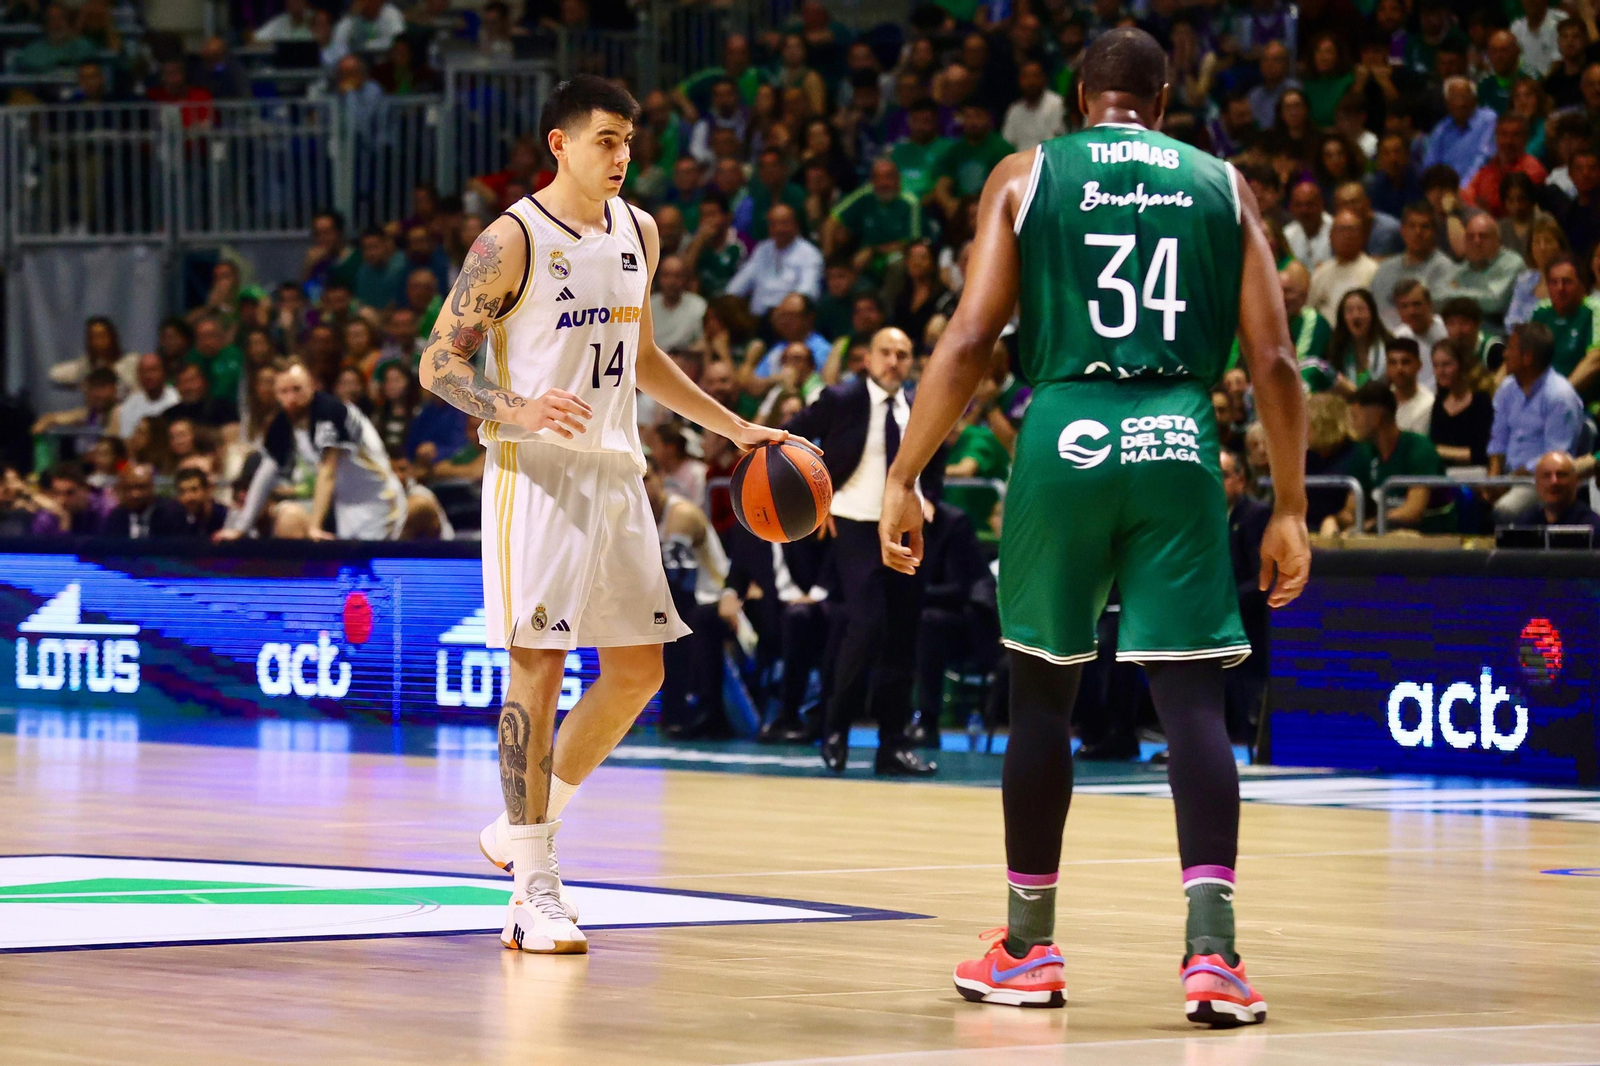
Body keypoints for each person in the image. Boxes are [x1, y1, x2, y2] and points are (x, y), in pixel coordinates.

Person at [878, 29, 1308, 1023]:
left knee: (1043, 695)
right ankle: (1213, 956)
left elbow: (975, 337)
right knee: (1193, 700)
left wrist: (907, 472)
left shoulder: (1026, 175)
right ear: (1161, 101)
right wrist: (1287, 504)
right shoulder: (1221, 184)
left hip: (1065, 430)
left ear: (1080, 99)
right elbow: (1276, 362)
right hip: (1177, 438)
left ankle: (1028, 946)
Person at [412, 76, 799, 956]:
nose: (621, 156)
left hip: (619, 472)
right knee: (538, 669)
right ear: (560, 144)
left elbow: (645, 356)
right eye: (605, 140)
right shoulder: (510, 238)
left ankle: (520, 830)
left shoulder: (641, 231)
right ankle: (532, 886)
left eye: (629, 140)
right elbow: (438, 361)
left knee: (638, 674)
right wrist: (511, 406)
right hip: (535, 473)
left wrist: (735, 429)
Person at [784, 326, 940, 778]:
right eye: (886, 352)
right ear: (867, 358)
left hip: (906, 528)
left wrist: (927, 501)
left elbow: (936, 464)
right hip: (854, 523)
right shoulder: (842, 399)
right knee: (868, 624)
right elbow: (792, 438)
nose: (894, 361)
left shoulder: (923, 406)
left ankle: (892, 745)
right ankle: (835, 728)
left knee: (904, 635)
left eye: (904, 354)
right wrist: (817, 499)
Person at [221, 360, 404, 542]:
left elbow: (328, 471)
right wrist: (240, 529)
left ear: (312, 386)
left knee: (371, 566)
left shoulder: (330, 411)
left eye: (297, 389)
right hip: (344, 504)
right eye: (283, 392)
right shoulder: (282, 423)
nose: (291, 398)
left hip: (378, 499)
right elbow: (265, 473)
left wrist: (314, 526)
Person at [1488, 321, 1585, 521]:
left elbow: (1555, 457)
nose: (1505, 355)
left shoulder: (1560, 396)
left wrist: (1509, 481)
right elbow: (1498, 440)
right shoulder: (1507, 389)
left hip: (1542, 482)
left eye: (1511, 349)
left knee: (1505, 511)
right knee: (1463, 495)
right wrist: (1494, 479)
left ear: (1527, 357)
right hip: (1506, 477)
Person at [1343, 380, 1453, 532]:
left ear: (1376, 417)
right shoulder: (1364, 452)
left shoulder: (1419, 448)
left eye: (1356, 416)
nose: (1353, 424)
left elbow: (1412, 512)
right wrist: (1335, 521)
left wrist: (1371, 526)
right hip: (1380, 536)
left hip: (1427, 539)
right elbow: (1351, 509)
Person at [725, 204, 824, 315]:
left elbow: (807, 292)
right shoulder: (762, 249)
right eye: (773, 224)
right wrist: (727, 299)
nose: (778, 229)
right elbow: (740, 283)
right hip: (758, 318)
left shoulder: (810, 254)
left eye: (784, 223)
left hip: (788, 318)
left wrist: (783, 311)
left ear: (796, 225)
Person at [1442, 214, 1526, 335]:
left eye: (1483, 236)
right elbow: (1438, 299)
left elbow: (1494, 302)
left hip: (1501, 337)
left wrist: (1454, 294)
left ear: (1498, 240)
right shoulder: (1461, 270)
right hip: (1464, 336)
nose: (1476, 241)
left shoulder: (1512, 263)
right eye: (1471, 237)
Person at [1529, 255, 1600, 396]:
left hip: (1581, 403)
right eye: (1553, 282)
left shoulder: (1594, 309)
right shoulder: (1541, 310)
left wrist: (1560, 395)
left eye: (1567, 282)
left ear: (1582, 285)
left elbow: (1595, 360)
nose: (1559, 288)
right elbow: (1520, 354)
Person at [1430, 338, 1495, 467]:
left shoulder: (1480, 401)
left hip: (1474, 474)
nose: (1440, 371)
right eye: (1436, 366)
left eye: (1446, 365)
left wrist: (1442, 451)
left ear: (1461, 364)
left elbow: (1482, 453)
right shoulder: (1440, 400)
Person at [1307, 209, 1378, 323]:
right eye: (1341, 230)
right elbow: (1309, 311)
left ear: (1363, 236)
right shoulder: (1321, 272)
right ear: (1331, 236)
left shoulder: (1374, 271)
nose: (1347, 235)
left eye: (1352, 230)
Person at [1422, 78, 1497, 184]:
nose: (1460, 103)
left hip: (1477, 187)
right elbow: (1429, 165)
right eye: (1454, 98)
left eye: (1465, 97)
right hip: (1446, 191)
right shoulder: (1441, 129)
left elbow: (1483, 159)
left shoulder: (1488, 120)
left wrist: (1462, 188)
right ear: (1447, 103)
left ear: (1475, 100)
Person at [1508, 450, 1600, 533]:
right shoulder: (1522, 524)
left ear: (1575, 482)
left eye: (1561, 475)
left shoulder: (1592, 527)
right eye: (1546, 476)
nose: (1554, 482)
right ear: (1536, 483)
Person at [100, 464, 188, 539]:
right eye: (129, 488)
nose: (135, 494)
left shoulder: (172, 513)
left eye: (141, 487)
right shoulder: (116, 517)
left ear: (152, 487)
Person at [1327, 289, 1392, 387]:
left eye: (1361, 309)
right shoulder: (1337, 351)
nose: (1356, 316)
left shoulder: (1389, 346)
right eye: (1349, 311)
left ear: (1372, 314)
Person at [649, 255, 707, 353]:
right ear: (658, 278)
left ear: (685, 279)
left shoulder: (699, 306)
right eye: (666, 275)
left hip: (686, 361)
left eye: (677, 276)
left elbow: (704, 343)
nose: (671, 282)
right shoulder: (648, 305)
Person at [1384, 338, 1436, 434]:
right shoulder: (1381, 399)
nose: (1399, 369)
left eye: (1405, 362)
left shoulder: (1428, 405)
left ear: (1419, 365)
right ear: (1387, 367)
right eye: (1393, 363)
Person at [1284, 181, 1333, 271]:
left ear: (1321, 204)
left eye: (1309, 204)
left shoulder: (1335, 229)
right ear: (1291, 207)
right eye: (1298, 205)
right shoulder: (1287, 234)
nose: (1304, 210)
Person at [175, 466, 229, 537]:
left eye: (194, 490)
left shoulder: (226, 517)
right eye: (182, 492)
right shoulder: (178, 521)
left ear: (207, 490)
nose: (188, 497)